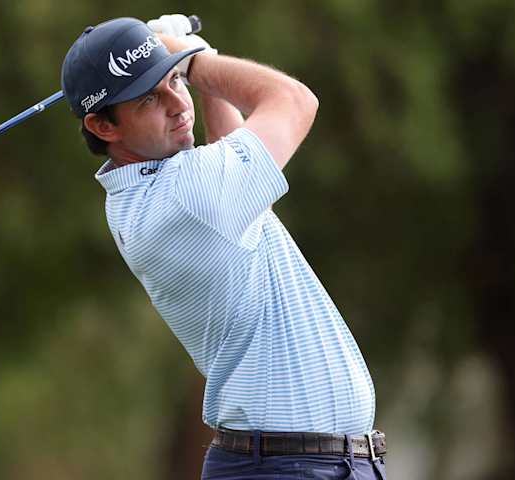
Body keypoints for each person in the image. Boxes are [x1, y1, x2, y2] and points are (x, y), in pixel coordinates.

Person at [60, 14, 388, 479]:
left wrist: (185, 58)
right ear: (103, 125)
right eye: (151, 97)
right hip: (284, 468)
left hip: (304, 463)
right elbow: (294, 101)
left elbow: (232, 148)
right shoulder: (185, 196)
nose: (179, 105)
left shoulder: (151, 193)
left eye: (175, 82)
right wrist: (193, 60)